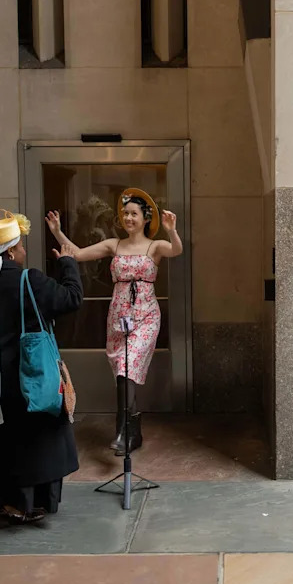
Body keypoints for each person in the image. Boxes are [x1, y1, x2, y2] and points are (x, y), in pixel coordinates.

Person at [0, 212, 83, 526]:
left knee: (3, 443)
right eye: (21, 246)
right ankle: (34, 504)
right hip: (31, 377)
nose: (24, 251)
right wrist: (68, 263)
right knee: (36, 442)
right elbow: (71, 299)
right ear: (11, 251)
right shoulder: (30, 280)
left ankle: (7, 502)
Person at [47, 188, 182, 455]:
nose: (128, 218)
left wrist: (171, 229)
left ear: (145, 218)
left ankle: (123, 430)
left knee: (126, 367)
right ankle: (133, 430)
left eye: (134, 214)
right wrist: (57, 232)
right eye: (125, 214)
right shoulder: (114, 245)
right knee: (122, 372)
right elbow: (79, 253)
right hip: (119, 317)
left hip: (145, 316)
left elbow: (175, 249)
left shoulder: (155, 246)